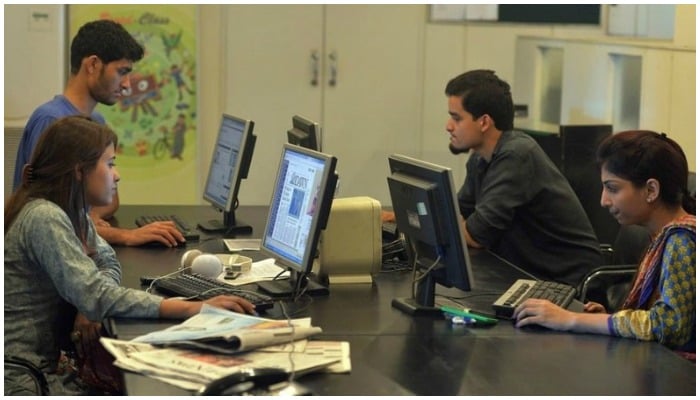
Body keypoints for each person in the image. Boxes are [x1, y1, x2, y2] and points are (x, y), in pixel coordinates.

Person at [4, 116, 257, 395]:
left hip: (41, 370)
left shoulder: (73, 211)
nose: (117, 175)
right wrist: (193, 307)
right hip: (23, 379)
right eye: (110, 164)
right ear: (79, 171)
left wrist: (86, 299)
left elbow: (106, 262)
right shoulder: (45, 217)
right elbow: (97, 296)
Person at [514, 130, 695, 357]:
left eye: (612, 188)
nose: (603, 200)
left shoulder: (681, 240)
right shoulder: (663, 236)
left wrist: (572, 319)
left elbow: (670, 327)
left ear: (651, 190)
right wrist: (606, 316)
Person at [12, 19, 184, 247]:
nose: (127, 85)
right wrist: (127, 235)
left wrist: (90, 215)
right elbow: (49, 223)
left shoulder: (97, 123)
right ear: (93, 65)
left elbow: (110, 200)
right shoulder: (53, 121)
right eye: (121, 72)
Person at [444, 69, 601, 288]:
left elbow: (475, 236)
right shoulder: (480, 159)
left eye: (456, 118)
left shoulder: (516, 155)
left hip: (567, 284)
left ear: (484, 122)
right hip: (526, 276)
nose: (448, 126)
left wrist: (454, 224)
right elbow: (454, 213)